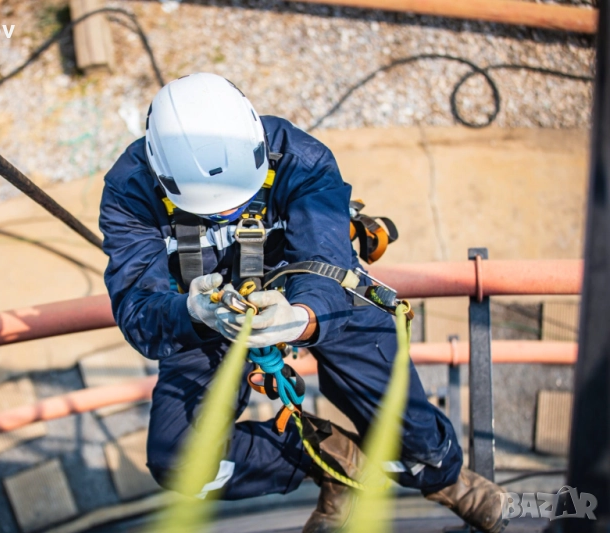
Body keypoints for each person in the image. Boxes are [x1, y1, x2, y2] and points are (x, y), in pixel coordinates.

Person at [99, 72, 506, 533]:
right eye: (213, 212)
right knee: (181, 462)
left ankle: (440, 473)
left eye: (238, 202)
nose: (229, 213)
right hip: (204, 314)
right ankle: (330, 460)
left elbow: (327, 260)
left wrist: (303, 316)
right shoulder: (131, 191)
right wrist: (191, 312)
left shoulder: (300, 159)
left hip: (306, 290)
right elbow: (138, 307)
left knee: (391, 399)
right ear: (162, 175)